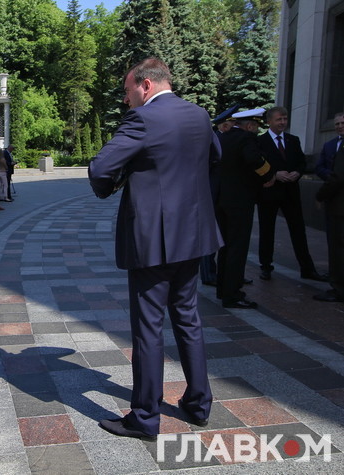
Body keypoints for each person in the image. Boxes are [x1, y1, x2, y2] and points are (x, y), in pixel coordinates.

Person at [88, 58, 221, 440]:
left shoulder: (143, 119)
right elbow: (215, 157)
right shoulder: (199, 115)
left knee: (148, 329)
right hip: (193, 235)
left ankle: (145, 417)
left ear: (145, 85)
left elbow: (100, 169)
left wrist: (116, 182)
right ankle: (198, 403)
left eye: (128, 90)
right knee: (188, 319)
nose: (126, 99)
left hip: (153, 241)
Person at [256, 107, 327, 282]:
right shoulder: (260, 142)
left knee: (298, 231)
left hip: (291, 193)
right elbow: (257, 166)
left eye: (285, 119)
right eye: (279, 119)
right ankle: (266, 267)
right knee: (267, 231)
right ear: (269, 121)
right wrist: (274, 174)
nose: (282, 122)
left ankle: (307, 268)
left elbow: (302, 162)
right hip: (269, 193)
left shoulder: (293, 140)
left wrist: (298, 172)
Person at [215, 109, 275, 309]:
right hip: (240, 201)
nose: (256, 131)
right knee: (237, 247)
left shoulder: (223, 138)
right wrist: (269, 175)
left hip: (221, 199)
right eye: (256, 127)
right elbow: (254, 159)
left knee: (225, 246)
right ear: (249, 126)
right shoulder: (246, 139)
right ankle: (232, 294)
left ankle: (222, 288)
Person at [200, 104, 239, 287]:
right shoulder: (213, 140)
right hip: (211, 195)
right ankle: (208, 274)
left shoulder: (221, 139)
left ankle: (226, 274)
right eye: (233, 124)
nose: (236, 128)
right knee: (210, 236)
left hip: (222, 196)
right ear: (224, 125)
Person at [314, 146, 344, 302]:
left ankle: (339, 288)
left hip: (340, 208)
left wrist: (320, 195)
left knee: (338, 249)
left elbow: (337, 177)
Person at [315, 112, 344, 181]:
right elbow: (319, 167)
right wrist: (331, 177)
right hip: (332, 184)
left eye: (343, 123)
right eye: (337, 124)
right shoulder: (328, 145)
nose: (340, 126)